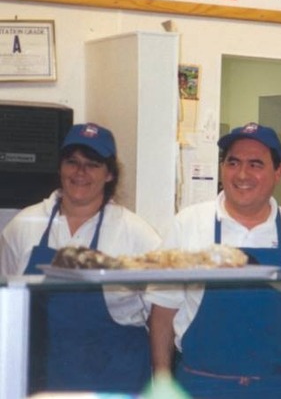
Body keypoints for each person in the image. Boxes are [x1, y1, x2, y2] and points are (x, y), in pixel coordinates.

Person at [145, 122, 281, 398]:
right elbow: (163, 312)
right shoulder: (188, 225)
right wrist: (162, 382)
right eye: (233, 162)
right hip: (200, 387)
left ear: (278, 172)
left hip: (278, 389)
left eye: (255, 164)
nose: (242, 174)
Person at [0, 122, 161, 393]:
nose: (80, 172)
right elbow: (8, 305)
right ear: (60, 167)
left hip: (115, 380)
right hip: (42, 380)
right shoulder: (24, 225)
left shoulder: (137, 234)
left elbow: (159, 311)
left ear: (110, 174)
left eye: (93, 164)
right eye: (72, 162)